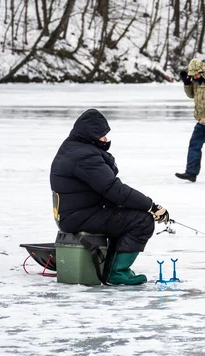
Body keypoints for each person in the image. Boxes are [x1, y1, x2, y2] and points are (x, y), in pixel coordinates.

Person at [50, 108, 169, 285]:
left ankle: (110, 267)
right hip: (79, 216)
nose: (106, 139)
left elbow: (107, 190)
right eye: (101, 135)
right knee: (141, 221)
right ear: (90, 135)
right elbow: (114, 189)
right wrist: (150, 207)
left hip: (77, 212)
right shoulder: (85, 156)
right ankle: (117, 272)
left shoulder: (74, 148)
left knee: (126, 214)